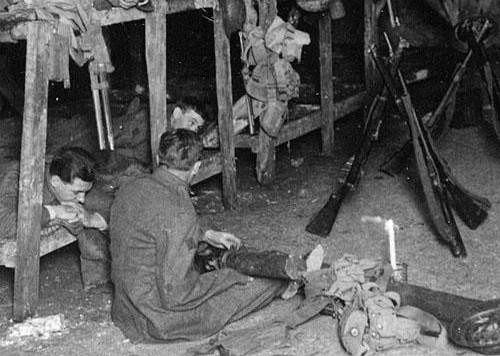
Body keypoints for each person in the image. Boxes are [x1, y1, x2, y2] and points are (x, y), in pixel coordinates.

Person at [109, 128, 287, 343]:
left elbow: (150, 225)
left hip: (125, 308)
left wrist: (204, 233)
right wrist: (228, 278)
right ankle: (283, 284)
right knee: (262, 284)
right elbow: (176, 296)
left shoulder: (131, 186)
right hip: (155, 319)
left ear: (158, 158)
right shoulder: (180, 211)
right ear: (197, 166)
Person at [0, 147, 111, 289]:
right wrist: (54, 212)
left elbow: (109, 203)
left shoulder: (73, 177)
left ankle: (97, 283)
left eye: (85, 192)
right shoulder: (18, 176)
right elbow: (3, 224)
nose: (81, 199)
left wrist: (92, 219)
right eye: (76, 192)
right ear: (55, 182)